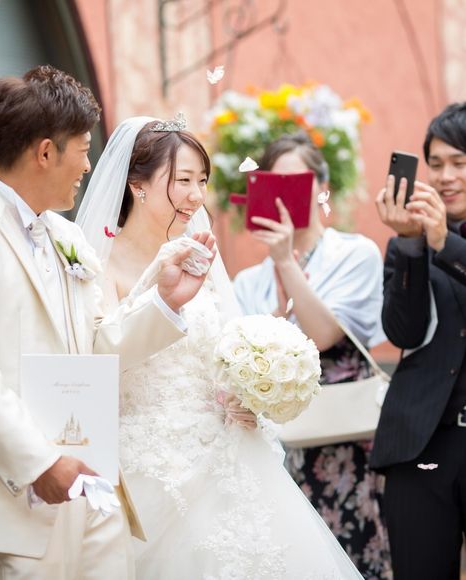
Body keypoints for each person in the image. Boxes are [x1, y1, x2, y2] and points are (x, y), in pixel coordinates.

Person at [0, 66, 214, 580]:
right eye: (83, 148)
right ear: (46, 152)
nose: (89, 165)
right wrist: (41, 463)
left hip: (97, 487)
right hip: (21, 494)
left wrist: (165, 302)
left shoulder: (66, 236)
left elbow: (97, 345)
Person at [76, 115, 364, 579]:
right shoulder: (99, 262)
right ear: (137, 185)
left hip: (227, 453)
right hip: (151, 461)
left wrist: (244, 394)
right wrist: (162, 299)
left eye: (202, 181)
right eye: (183, 180)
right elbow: (98, 355)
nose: (196, 195)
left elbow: (224, 347)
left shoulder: (199, 254)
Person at [234, 133, 391, 579]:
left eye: (298, 183)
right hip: (279, 447)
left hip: (346, 441)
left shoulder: (354, 254)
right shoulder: (247, 280)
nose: (285, 197)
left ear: (322, 187)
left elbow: (321, 335)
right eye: (274, 184)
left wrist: (286, 262)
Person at [371, 102, 466, 580]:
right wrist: (411, 244)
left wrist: (445, 243)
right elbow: (402, 332)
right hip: (423, 442)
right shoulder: (409, 240)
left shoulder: (442, 240)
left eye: (459, 163)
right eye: (436, 163)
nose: (445, 177)